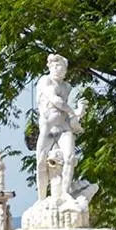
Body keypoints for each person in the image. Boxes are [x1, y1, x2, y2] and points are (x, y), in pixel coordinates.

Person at [35, 54, 83, 201]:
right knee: (41, 162)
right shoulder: (45, 81)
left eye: (60, 66)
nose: (56, 69)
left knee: (70, 158)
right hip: (47, 129)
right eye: (53, 66)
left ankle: (65, 193)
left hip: (63, 128)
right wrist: (73, 111)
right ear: (49, 67)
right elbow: (56, 101)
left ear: (65, 70)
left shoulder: (67, 87)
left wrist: (78, 114)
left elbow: (70, 112)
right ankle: (41, 199)